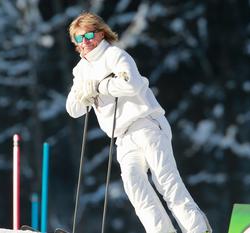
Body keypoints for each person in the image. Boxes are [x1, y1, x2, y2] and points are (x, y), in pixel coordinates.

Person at [65, 12, 212, 233]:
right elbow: (73, 110)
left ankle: (198, 229)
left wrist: (99, 87)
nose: (85, 42)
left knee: (166, 183)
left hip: (147, 123)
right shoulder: (81, 70)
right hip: (123, 138)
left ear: (101, 33)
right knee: (136, 188)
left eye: (89, 35)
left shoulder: (115, 55)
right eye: (79, 38)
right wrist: (82, 95)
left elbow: (132, 84)